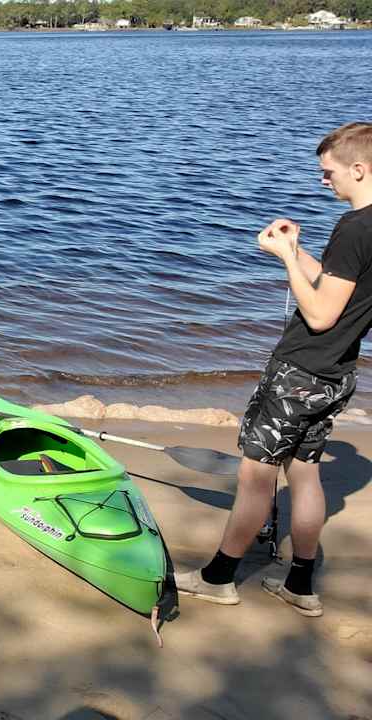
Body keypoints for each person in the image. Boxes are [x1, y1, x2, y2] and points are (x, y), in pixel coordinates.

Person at [175, 122, 372, 617]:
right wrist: (301, 250)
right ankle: (300, 585)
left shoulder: (354, 227)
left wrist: (284, 257)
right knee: (304, 475)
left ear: (359, 169)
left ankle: (218, 577)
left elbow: (322, 313)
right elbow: (338, 289)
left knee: (256, 479)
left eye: (328, 173)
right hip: (337, 374)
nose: (323, 181)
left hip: (300, 372)